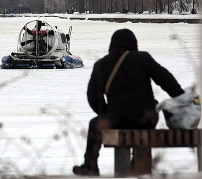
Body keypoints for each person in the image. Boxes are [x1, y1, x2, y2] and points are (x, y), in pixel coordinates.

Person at [73, 28, 185, 176]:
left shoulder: (102, 64)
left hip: (117, 120)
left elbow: (93, 96)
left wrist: (106, 114)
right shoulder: (143, 59)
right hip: (146, 119)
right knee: (151, 110)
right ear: (133, 43)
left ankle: (90, 166)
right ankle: (140, 164)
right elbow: (166, 80)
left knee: (94, 124)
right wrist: (182, 98)